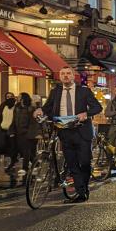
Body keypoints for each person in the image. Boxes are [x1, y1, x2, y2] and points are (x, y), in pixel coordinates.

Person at [38, 67, 102, 201]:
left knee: (84, 162)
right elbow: (47, 107)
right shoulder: (55, 92)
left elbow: (97, 107)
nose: (65, 76)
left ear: (73, 76)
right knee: (72, 163)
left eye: (68, 73)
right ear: (59, 77)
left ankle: (84, 187)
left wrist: (86, 113)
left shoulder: (84, 91)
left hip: (82, 131)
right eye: (62, 74)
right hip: (64, 131)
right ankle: (81, 193)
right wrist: (40, 111)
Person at [10, 92, 39, 177]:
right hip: (19, 132)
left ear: (23, 98)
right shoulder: (17, 108)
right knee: (24, 150)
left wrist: (31, 133)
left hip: (27, 132)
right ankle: (36, 164)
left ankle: (25, 168)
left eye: (19, 97)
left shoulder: (30, 108)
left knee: (26, 150)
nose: (18, 98)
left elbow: (33, 122)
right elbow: (14, 120)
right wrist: (12, 131)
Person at [0, 92, 18, 172]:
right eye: (7, 97)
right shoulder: (2, 106)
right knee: (2, 145)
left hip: (12, 129)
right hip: (3, 128)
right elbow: (0, 116)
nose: (9, 98)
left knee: (12, 146)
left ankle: (12, 161)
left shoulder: (16, 106)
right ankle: (10, 159)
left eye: (10, 96)